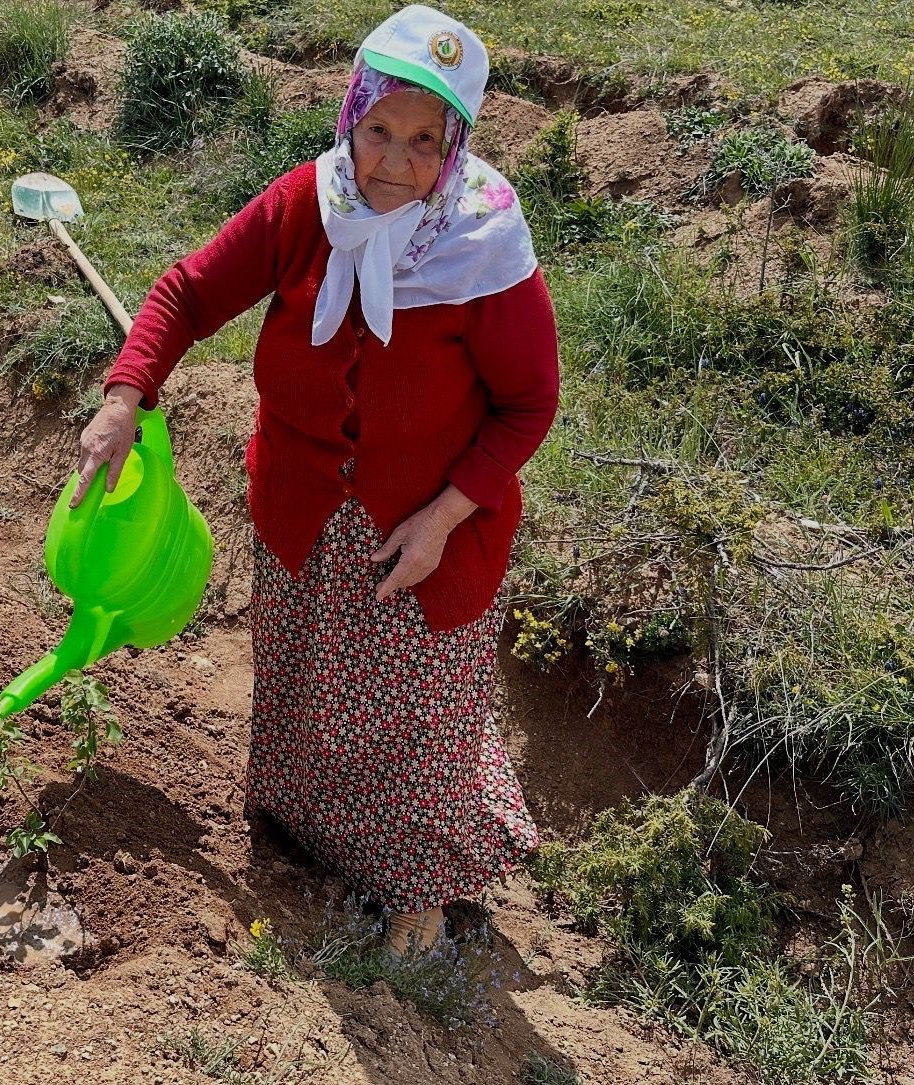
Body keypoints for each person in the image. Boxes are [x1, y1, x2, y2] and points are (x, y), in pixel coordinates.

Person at [74, 6, 560, 951]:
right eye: (380, 129)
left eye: (426, 141)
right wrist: (126, 394)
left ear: (456, 143)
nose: (393, 161)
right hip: (302, 504)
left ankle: (418, 895)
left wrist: (445, 520)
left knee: (418, 715)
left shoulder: (485, 249)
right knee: (307, 691)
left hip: (429, 528)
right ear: (351, 116)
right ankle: (316, 843)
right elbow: (188, 290)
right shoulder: (308, 204)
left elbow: (527, 406)